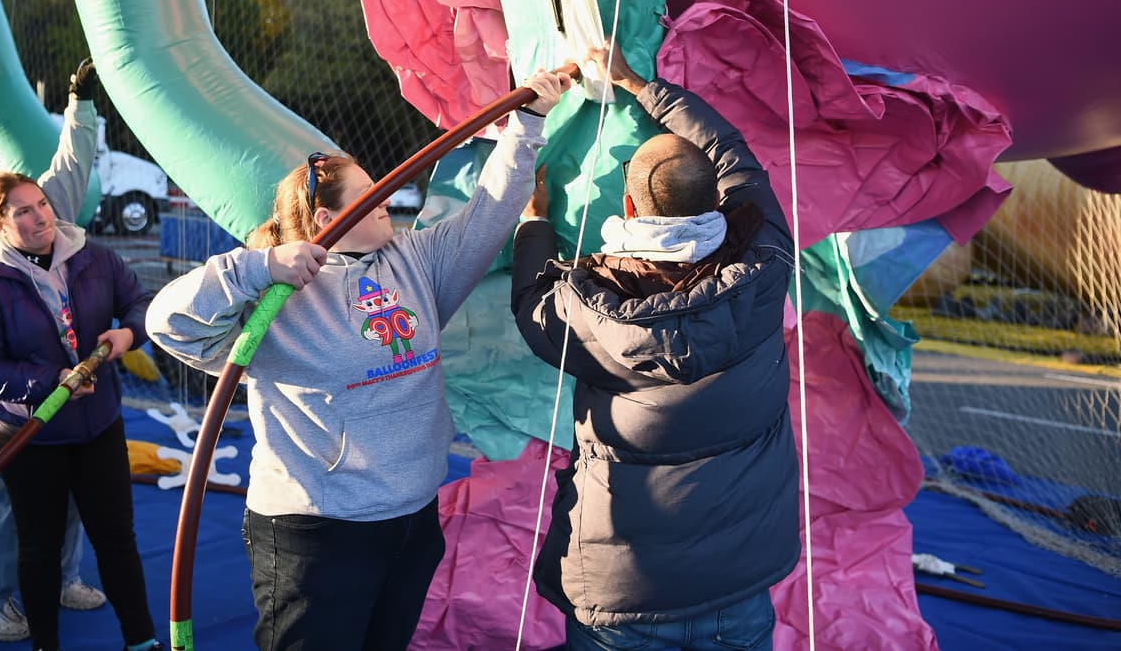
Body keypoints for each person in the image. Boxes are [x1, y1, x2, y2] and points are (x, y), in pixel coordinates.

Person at [145, 69, 571, 651]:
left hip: (413, 517)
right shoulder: (273, 300)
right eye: (370, 195)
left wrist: (529, 122)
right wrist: (258, 267)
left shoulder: (416, 259)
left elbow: (489, 211)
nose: (387, 200)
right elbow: (166, 323)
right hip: (315, 533)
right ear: (326, 221)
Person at [509, 43, 800, 651]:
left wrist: (534, 223)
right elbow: (734, 152)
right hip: (737, 588)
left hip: (620, 600)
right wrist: (642, 85)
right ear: (715, 197)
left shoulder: (584, 306)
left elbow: (531, 303)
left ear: (629, 205)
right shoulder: (768, 257)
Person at [0, 58, 107, 642]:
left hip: (73, 383)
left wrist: (80, 104)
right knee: (13, 501)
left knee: (76, 488)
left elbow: (72, 164)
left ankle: (63, 577)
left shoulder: (35, 210)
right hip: (25, 397)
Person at [0, 170, 161, 651]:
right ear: (0, 224)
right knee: (40, 548)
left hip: (98, 428)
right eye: (22, 211)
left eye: (41, 204)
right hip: (32, 437)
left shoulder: (95, 258)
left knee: (116, 540)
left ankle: (142, 641)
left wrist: (130, 334)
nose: (39, 216)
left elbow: (140, 302)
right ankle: (46, 644)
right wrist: (49, 383)